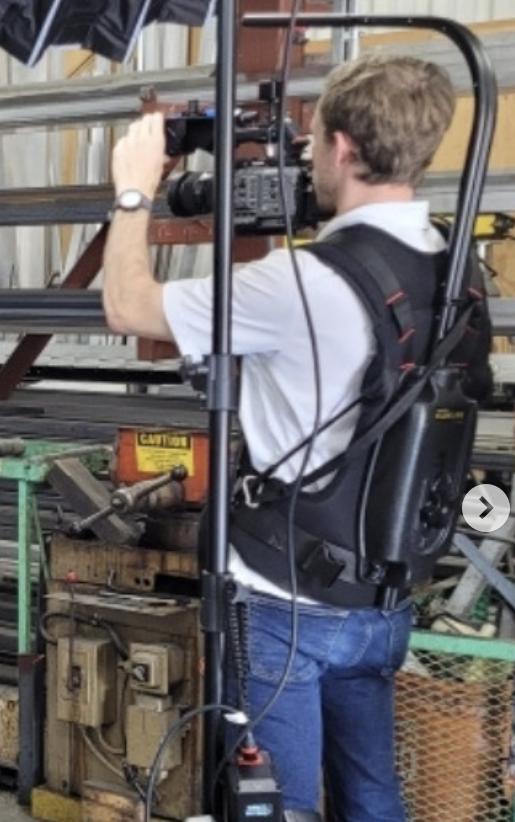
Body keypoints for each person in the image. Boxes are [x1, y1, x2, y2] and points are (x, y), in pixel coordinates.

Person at [101, 54, 484, 819]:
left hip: (284, 602)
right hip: (381, 600)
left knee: (272, 804)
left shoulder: (300, 282)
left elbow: (128, 305)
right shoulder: (457, 266)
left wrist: (134, 189)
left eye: (312, 143)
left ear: (342, 147)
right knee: (372, 797)